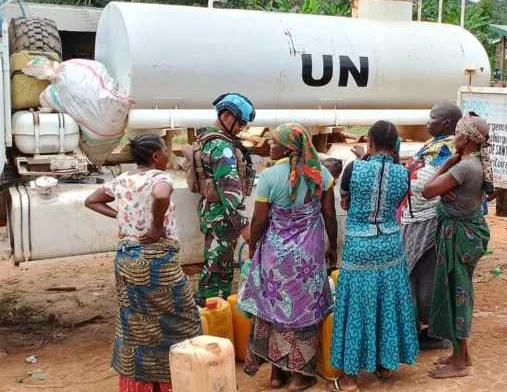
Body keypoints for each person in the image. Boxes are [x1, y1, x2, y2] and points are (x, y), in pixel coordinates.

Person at [85, 134, 202, 392]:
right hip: (156, 259)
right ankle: (175, 377)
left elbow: (91, 200)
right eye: (166, 150)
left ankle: (141, 379)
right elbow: (161, 196)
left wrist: (122, 218)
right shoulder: (160, 178)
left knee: (135, 319)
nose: (168, 155)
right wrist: (157, 226)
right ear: (156, 156)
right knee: (181, 319)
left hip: (127, 257)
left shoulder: (122, 179)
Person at [238, 123, 338, 391]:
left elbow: (258, 221)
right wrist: (333, 247)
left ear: (288, 147)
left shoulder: (270, 177)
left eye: (274, 142)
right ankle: (298, 376)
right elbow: (329, 215)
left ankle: (277, 374)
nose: (270, 146)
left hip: (274, 256)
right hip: (308, 257)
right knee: (304, 312)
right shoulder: (321, 174)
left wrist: (253, 247)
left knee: (274, 309)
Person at [328, 121, 419, 392]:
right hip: (390, 244)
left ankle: (350, 379)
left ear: (369, 142)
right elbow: (397, 202)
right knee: (386, 303)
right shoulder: (403, 173)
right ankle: (384, 365)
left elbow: (345, 197)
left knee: (356, 307)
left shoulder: (354, 168)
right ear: (395, 146)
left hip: (359, 247)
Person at [421, 112, 492, 380]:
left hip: (459, 236)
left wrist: (447, 165)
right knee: (459, 291)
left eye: (457, 135)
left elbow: (426, 190)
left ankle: (459, 363)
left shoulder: (463, 167)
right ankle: (461, 353)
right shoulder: (474, 164)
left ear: (464, 138)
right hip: (468, 234)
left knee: (457, 294)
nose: (455, 139)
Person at [400, 103, 463, 351]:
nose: (428, 122)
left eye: (432, 118)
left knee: (428, 277)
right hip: (415, 219)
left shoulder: (452, 149)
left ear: (446, 123)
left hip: (430, 222)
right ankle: (418, 327)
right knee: (414, 275)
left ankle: (438, 333)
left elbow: (451, 179)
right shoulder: (435, 144)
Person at [197, 93, 255, 300]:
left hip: (214, 215)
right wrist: (244, 225)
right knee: (219, 273)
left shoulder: (208, 139)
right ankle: (212, 313)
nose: (241, 128)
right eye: (240, 123)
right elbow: (230, 190)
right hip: (223, 218)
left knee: (213, 268)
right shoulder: (222, 147)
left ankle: (206, 308)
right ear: (227, 116)